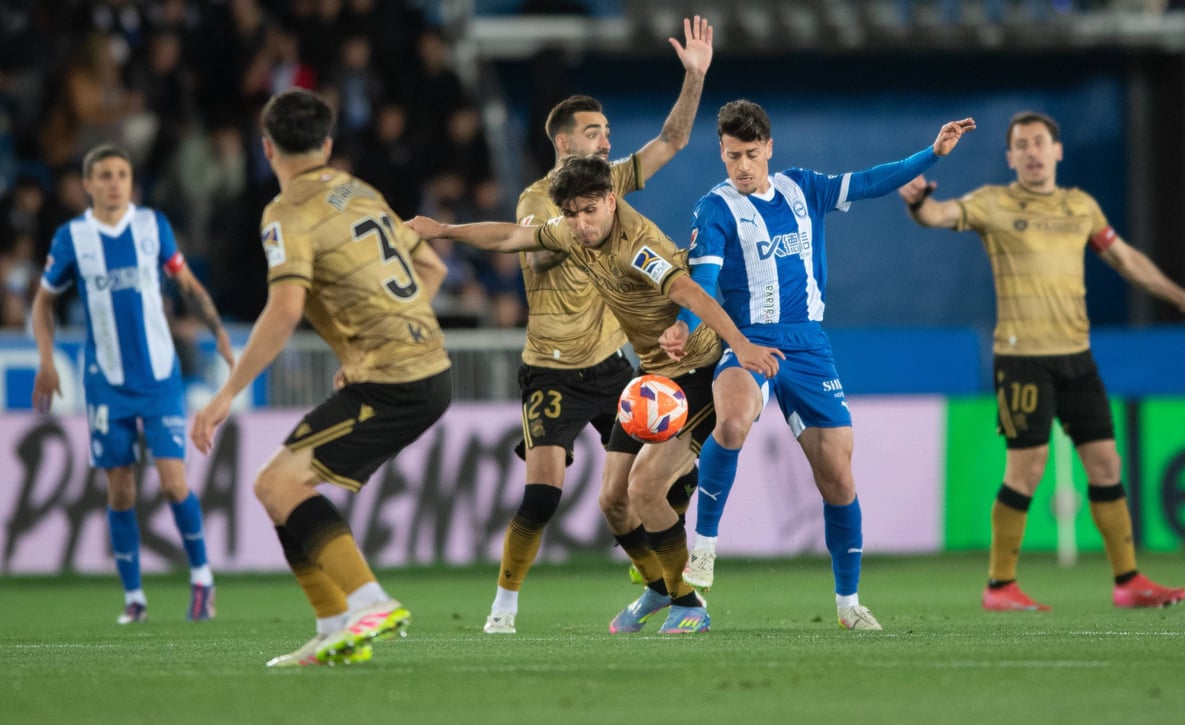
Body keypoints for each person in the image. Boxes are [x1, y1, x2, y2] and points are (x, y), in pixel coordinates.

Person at [407, 155, 782, 635]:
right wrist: (442, 230)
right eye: (571, 213)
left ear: (610, 200)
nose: (581, 225)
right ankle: (659, 588)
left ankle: (689, 604)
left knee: (645, 488)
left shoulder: (639, 247)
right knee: (612, 500)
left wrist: (741, 345)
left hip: (694, 375)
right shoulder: (571, 229)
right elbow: (511, 236)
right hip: (652, 376)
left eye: (589, 211)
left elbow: (690, 292)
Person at [897, 110, 1185, 611]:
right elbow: (938, 216)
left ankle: (1129, 581)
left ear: (1057, 152)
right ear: (1010, 157)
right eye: (1022, 145)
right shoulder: (992, 203)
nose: (1032, 152)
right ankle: (999, 586)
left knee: (1106, 464)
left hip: (1077, 357)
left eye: (1040, 143)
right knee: (1027, 470)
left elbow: (1127, 260)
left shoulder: (1081, 208)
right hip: (1022, 360)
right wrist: (920, 201)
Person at [665, 100, 975, 630]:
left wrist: (933, 153)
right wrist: (686, 326)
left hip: (808, 346)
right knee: (733, 421)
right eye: (732, 155)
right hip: (750, 341)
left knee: (837, 478)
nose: (741, 165)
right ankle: (706, 545)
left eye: (751, 154)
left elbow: (872, 181)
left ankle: (848, 605)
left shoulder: (802, 187)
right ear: (720, 151)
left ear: (769, 149)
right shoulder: (713, 209)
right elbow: (707, 281)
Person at [189, 88, 453, 666]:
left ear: (267, 149)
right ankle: (335, 623)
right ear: (328, 144)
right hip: (420, 370)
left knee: (278, 484)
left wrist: (224, 394)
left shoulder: (285, 213)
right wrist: (390, 333)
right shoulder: (361, 191)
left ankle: (369, 601)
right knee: (279, 485)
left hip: (395, 380)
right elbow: (432, 265)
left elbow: (284, 311)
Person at [484, 15, 714, 635]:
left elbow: (672, 140)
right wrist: (571, 231)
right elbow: (527, 246)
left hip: (615, 365)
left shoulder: (608, 187)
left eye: (609, 132)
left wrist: (693, 78)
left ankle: (667, 587)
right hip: (553, 367)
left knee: (651, 481)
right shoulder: (544, 201)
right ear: (563, 143)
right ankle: (504, 607)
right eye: (594, 133)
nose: (607, 141)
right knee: (548, 495)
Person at [32, 144, 234, 624]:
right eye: (104, 175)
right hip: (106, 384)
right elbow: (42, 303)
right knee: (120, 490)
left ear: (130, 181)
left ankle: (202, 577)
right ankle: (134, 597)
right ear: (88, 184)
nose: (114, 182)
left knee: (172, 481)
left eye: (121, 174)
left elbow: (186, 284)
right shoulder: (71, 238)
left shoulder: (151, 226)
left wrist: (221, 335)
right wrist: (46, 360)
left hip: (161, 377)